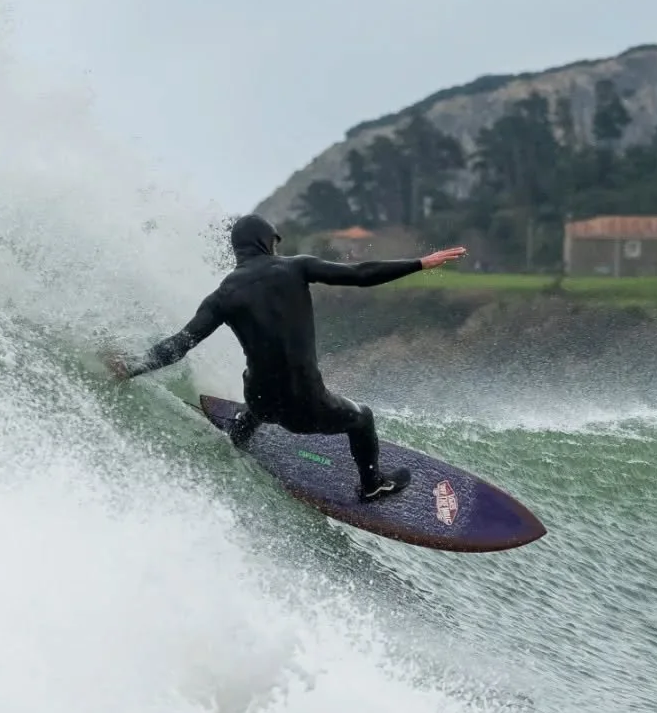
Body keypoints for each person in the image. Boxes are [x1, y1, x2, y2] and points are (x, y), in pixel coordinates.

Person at [105, 214, 467, 500]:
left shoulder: (223, 296)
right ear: (267, 242)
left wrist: (133, 366)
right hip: (308, 407)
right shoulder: (296, 267)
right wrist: (420, 263)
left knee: (258, 384)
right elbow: (360, 275)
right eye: (275, 241)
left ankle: (239, 437)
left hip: (261, 403)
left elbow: (180, 344)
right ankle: (372, 485)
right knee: (362, 417)